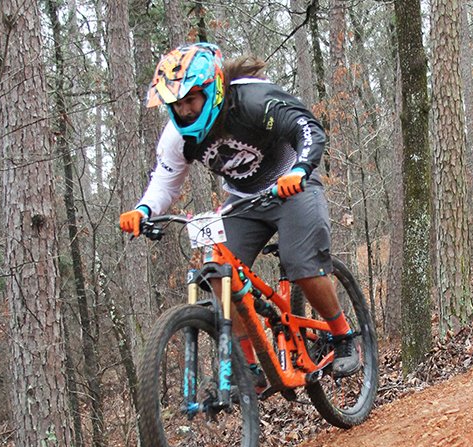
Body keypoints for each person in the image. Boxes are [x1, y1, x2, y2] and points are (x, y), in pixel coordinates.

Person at [119, 42, 360, 379]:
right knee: (218, 273)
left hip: (291, 184)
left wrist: (301, 168)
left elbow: (306, 127)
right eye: (177, 104)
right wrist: (143, 209)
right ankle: (250, 369)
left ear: (211, 89)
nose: (185, 110)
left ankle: (343, 335)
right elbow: (166, 180)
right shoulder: (177, 136)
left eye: (191, 100)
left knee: (302, 264)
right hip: (245, 199)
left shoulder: (253, 100)